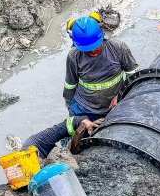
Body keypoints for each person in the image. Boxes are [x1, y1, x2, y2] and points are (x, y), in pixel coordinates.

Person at [22, 13, 138, 159]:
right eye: (88, 50)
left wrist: (120, 95)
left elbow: (133, 74)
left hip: (113, 106)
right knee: (76, 147)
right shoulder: (74, 57)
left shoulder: (118, 48)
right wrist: (73, 114)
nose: (94, 52)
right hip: (84, 109)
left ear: (102, 36)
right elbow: (70, 87)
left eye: (96, 47)